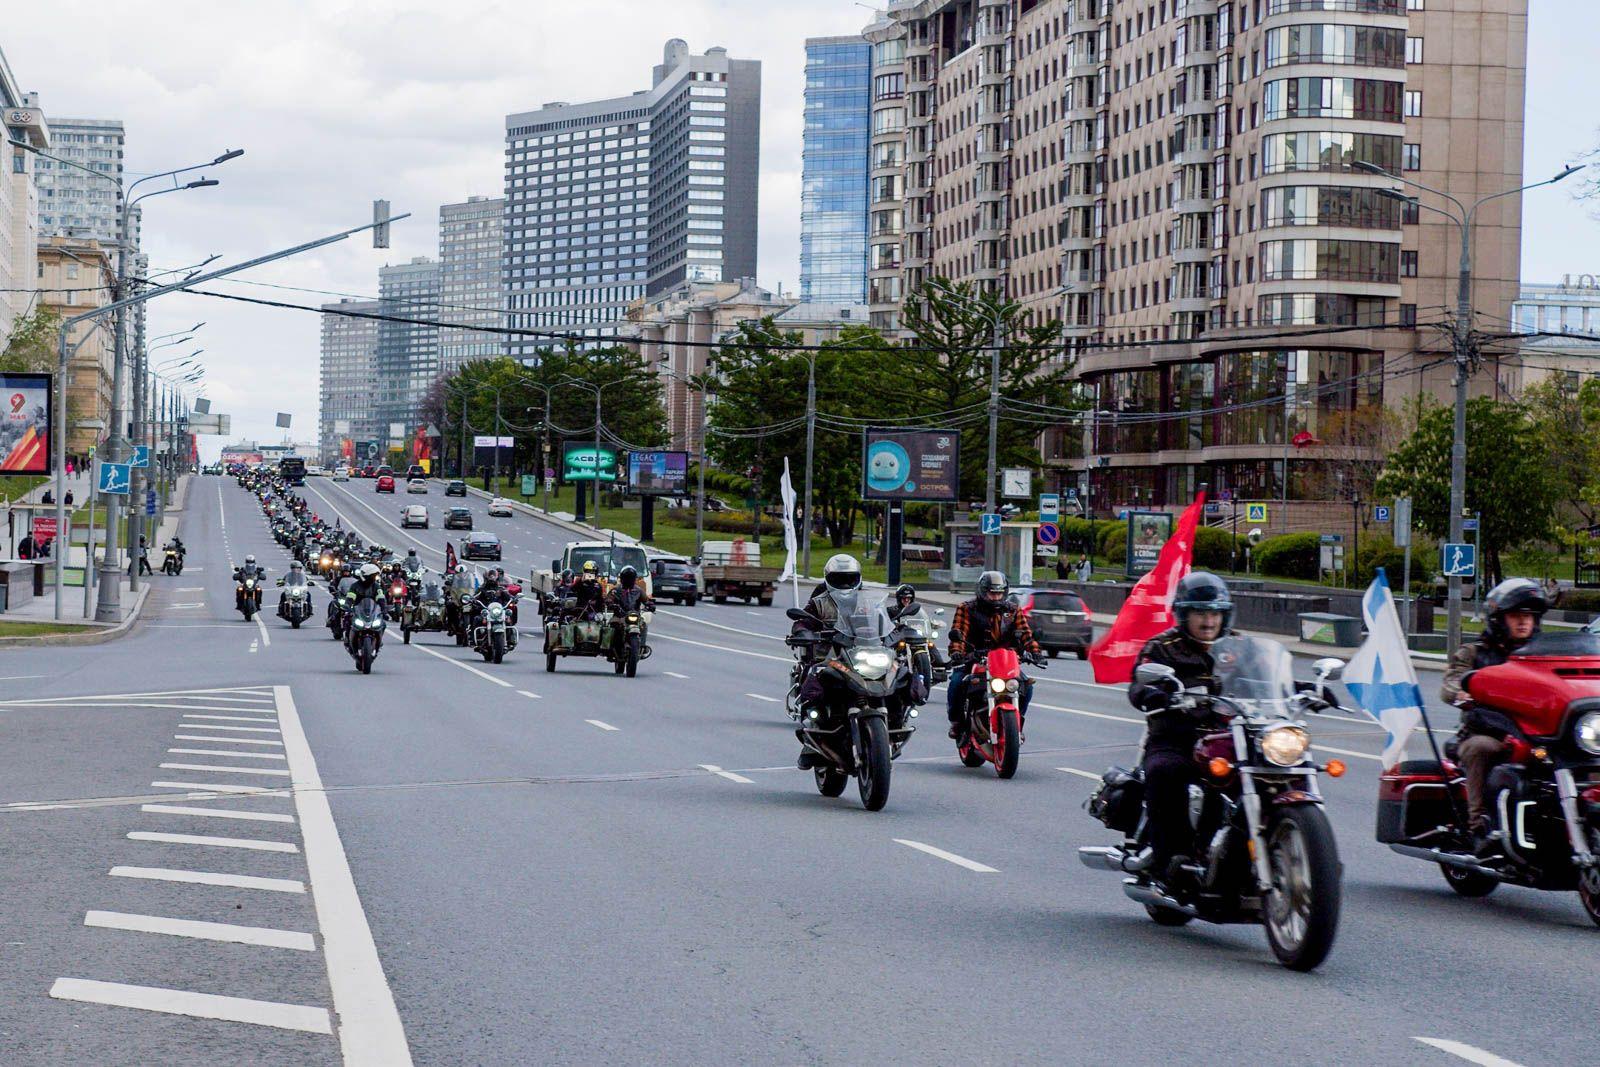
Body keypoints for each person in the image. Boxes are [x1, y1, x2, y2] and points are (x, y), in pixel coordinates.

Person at [1124, 571, 1233, 878]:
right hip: (1177, 738)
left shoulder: (1235, 647)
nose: (1209, 621)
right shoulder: (1162, 647)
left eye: (1215, 613)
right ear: (1184, 615)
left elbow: (1262, 675)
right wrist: (1153, 693)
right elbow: (1139, 682)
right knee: (1164, 771)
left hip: (1226, 740)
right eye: (1200, 613)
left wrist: (1303, 687)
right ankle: (1170, 853)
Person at [1442, 577, 1547, 852]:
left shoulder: (1543, 655)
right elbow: (1450, 684)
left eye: (1529, 616)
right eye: (1516, 616)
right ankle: (1478, 826)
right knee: (1480, 749)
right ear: (1500, 619)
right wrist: (1462, 693)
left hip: (1537, 735)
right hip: (1488, 733)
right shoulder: (1475, 653)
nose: (1524, 622)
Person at [945, 570, 1042, 740]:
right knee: (956, 683)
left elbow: (1026, 634)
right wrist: (957, 653)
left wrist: (1035, 652)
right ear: (982, 591)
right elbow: (958, 632)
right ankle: (957, 722)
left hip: (1005, 662)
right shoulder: (967, 609)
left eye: (999, 593)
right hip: (974, 658)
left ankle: (1017, 725)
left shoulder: (1013, 610)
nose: (996, 597)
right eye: (992, 593)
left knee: (1027, 686)